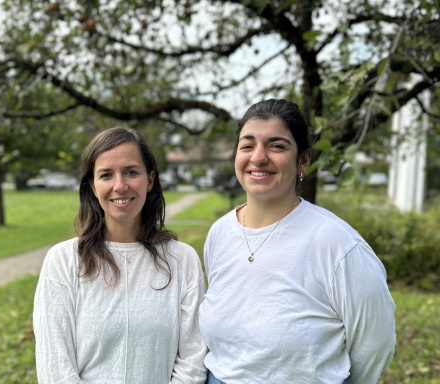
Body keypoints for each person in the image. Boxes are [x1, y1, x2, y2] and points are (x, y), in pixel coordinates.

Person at [199, 99, 396, 384]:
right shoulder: (219, 234)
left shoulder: (336, 243)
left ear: (303, 161)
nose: (258, 157)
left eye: (277, 146)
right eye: (247, 145)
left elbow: (375, 342)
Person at [33, 127, 207, 384]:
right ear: (93, 186)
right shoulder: (63, 261)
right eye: (106, 175)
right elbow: (55, 366)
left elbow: (194, 358)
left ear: (149, 180)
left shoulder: (183, 260)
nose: (120, 185)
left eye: (131, 172)